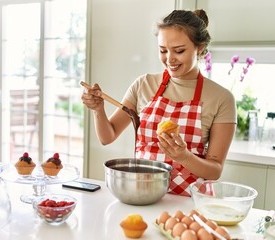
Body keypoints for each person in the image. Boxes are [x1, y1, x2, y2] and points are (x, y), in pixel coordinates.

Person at [81, 9, 236, 197]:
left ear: (200, 48)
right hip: (141, 196)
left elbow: (215, 170)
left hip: (188, 204)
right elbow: (108, 136)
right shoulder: (143, 84)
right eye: (163, 50)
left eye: (179, 51)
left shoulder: (221, 98)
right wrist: (98, 109)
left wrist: (184, 157)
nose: (169, 59)